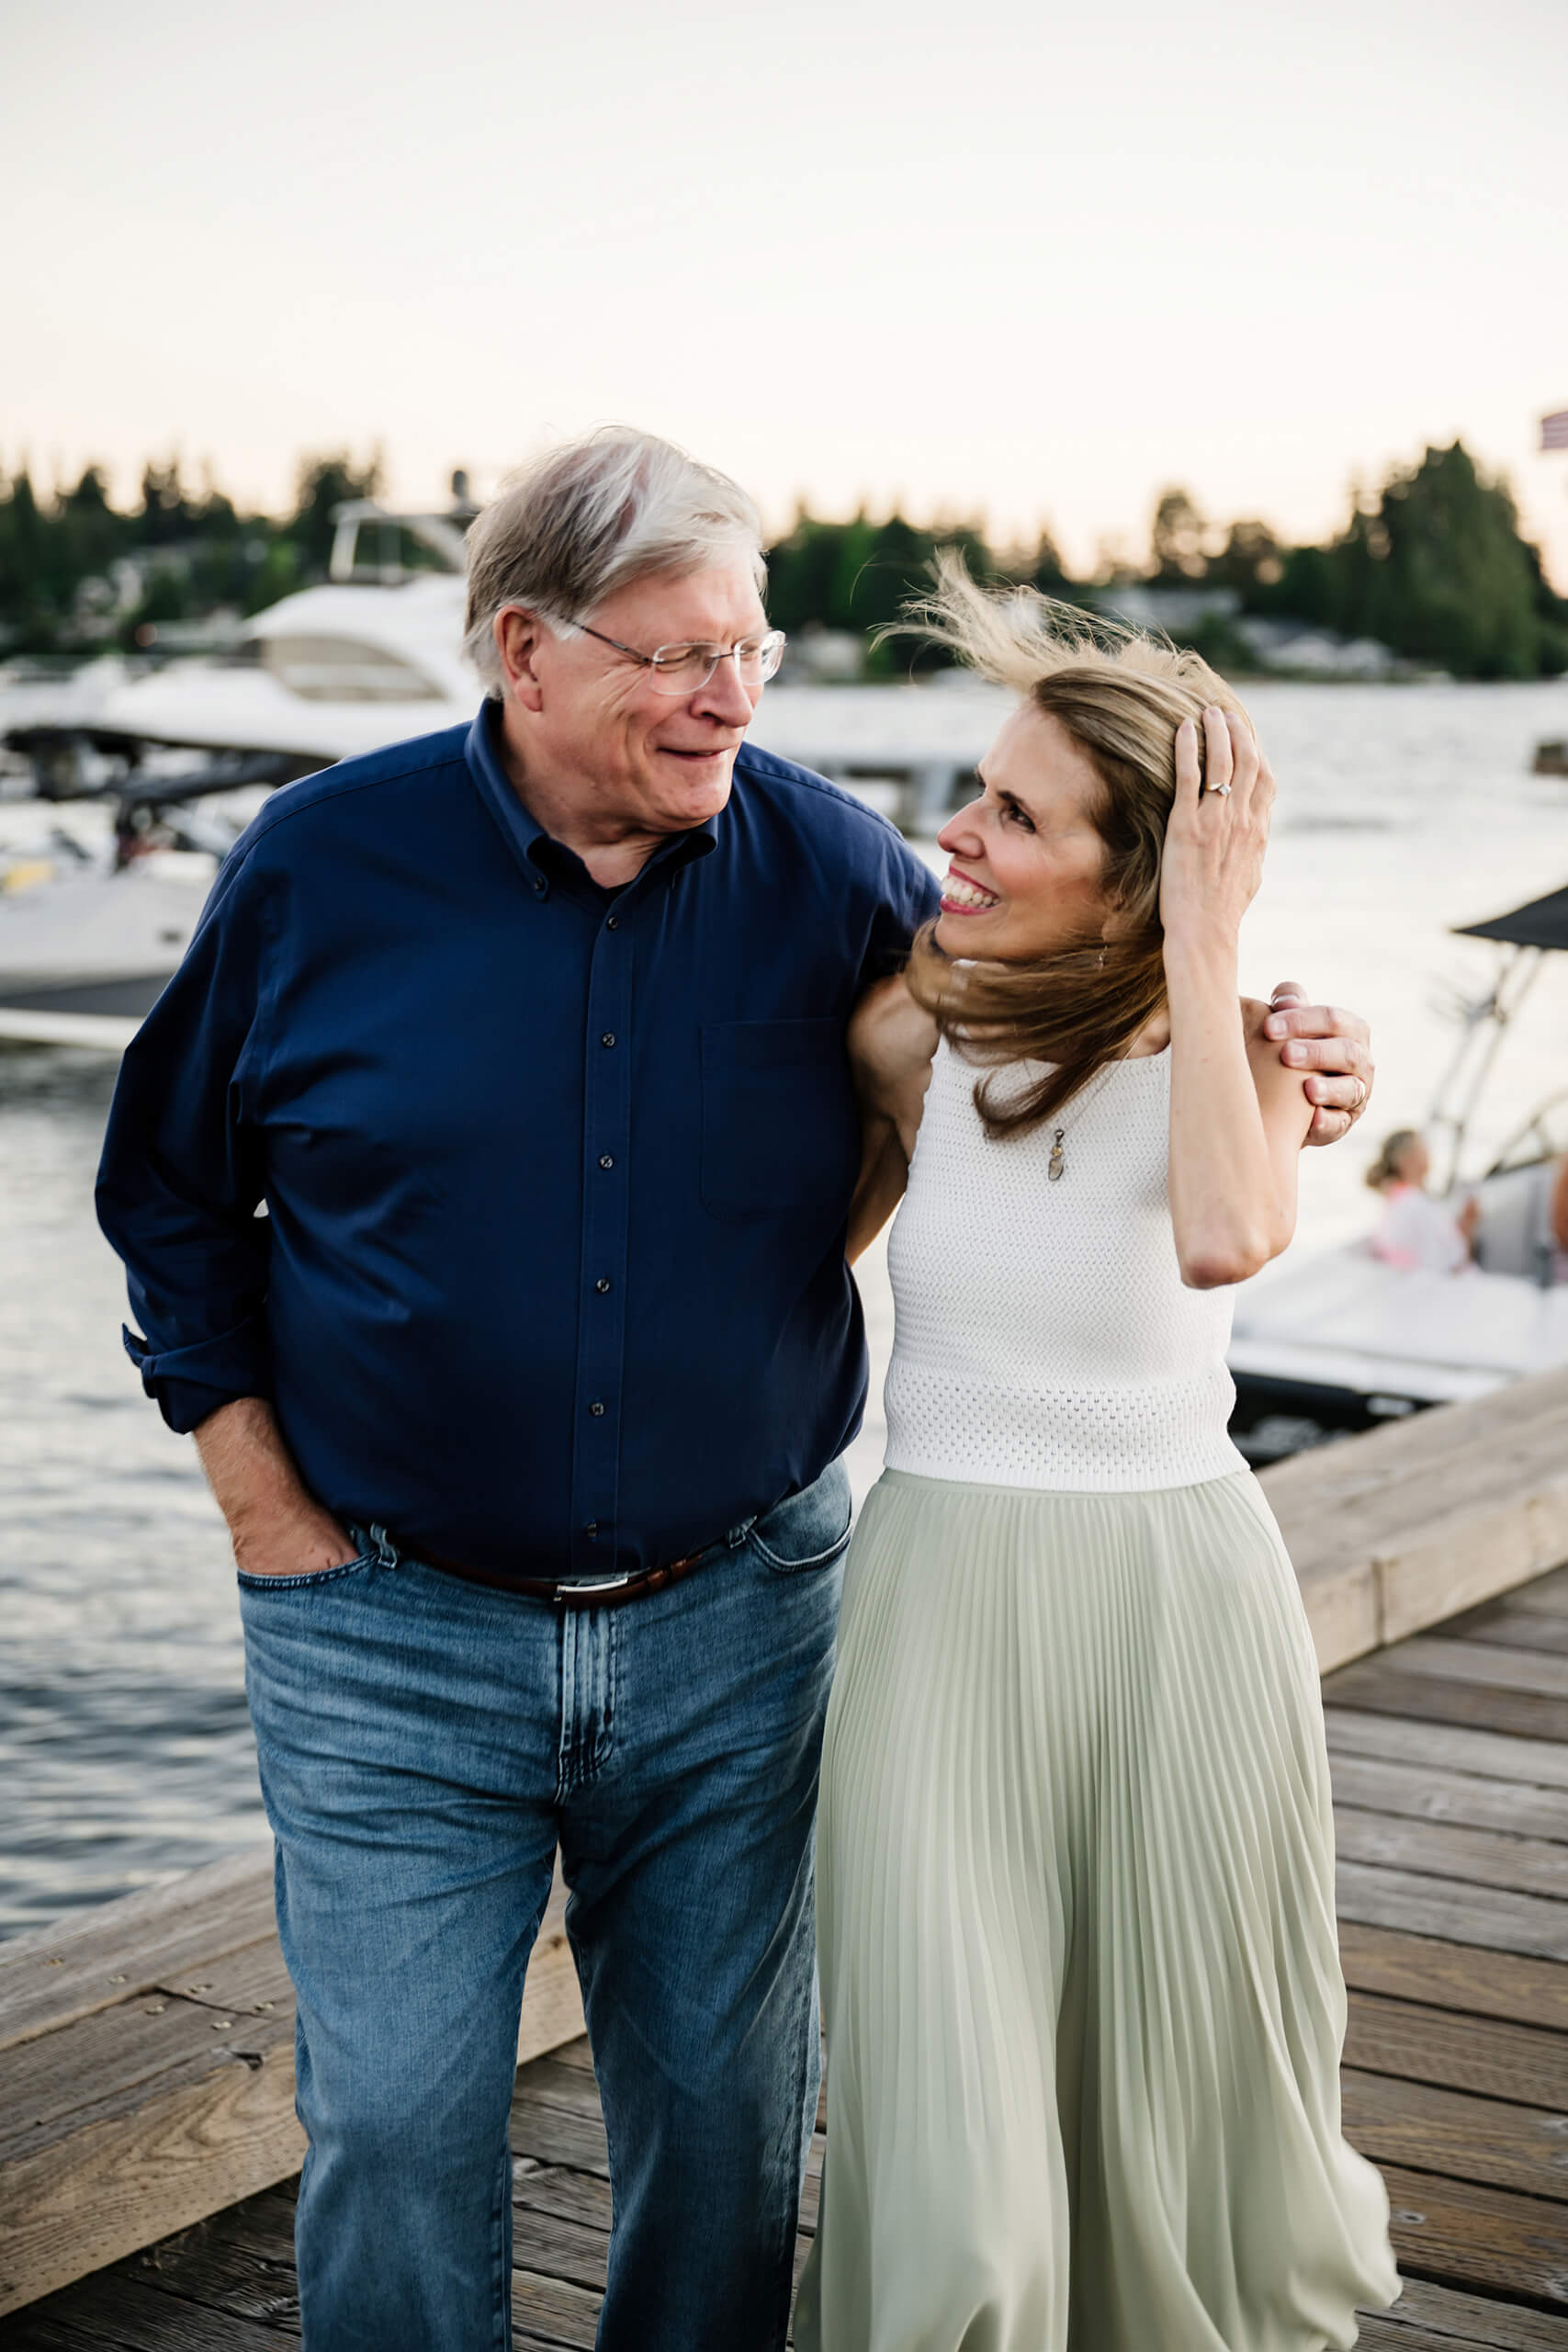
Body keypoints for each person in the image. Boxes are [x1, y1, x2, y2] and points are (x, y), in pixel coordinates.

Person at [95, 431, 1376, 2352]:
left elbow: (1074, 1044)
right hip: (386, 1629)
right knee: (391, 2120)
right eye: (680, 652)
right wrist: (260, 1501)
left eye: (753, 651)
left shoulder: (837, 873)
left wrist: (1291, 1036)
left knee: (720, 2129)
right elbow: (175, 1194)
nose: (729, 694)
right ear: (525, 650)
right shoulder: (315, 866)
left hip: (738, 1623)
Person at [795, 566, 1399, 2352]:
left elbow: (1223, 1236)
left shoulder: (1248, 1056)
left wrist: (1211, 951)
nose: (954, 834)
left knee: (1170, 2097)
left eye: (1011, 812)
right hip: (937, 1605)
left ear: (1135, 871)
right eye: (973, 788)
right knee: (948, 2126)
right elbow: (798, 1252)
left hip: (1175, 1606)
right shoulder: (911, 1030)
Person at [1365, 1127, 1478, 1272]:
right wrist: (1468, 1226)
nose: (1429, 1154)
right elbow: (1455, 1261)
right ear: (1408, 1160)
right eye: (1423, 1149)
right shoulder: (1416, 1205)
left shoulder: (1395, 1200)